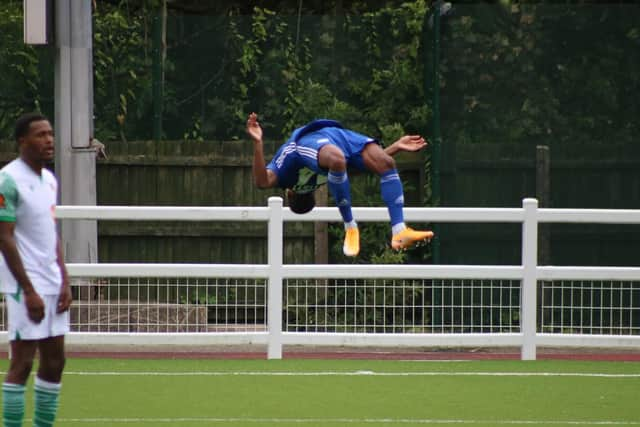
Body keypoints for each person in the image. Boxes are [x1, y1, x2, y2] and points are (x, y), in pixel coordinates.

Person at [246, 112, 434, 257]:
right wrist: (396, 147)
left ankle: (399, 231)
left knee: (383, 163)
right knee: (377, 162)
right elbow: (262, 181)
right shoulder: (290, 178)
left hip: (336, 137)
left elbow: (262, 181)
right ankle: (350, 226)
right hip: (311, 141)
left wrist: (258, 144)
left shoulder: (317, 177)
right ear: (290, 194)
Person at [0, 113, 72, 427]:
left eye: (51, 134)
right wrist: (28, 290)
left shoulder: (49, 179)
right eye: (41, 135)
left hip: (52, 281)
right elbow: (4, 237)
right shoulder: (8, 179)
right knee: (23, 362)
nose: (49, 140)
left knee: (55, 362)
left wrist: (65, 279)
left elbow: (50, 232)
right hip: (24, 284)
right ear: (22, 141)